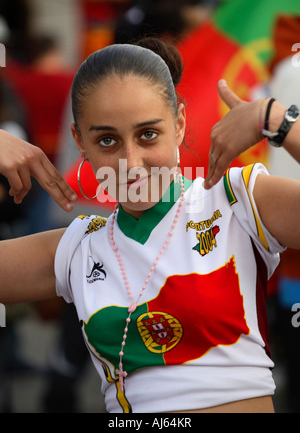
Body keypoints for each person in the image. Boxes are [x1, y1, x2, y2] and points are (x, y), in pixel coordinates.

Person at [0, 37, 299, 414]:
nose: (131, 161)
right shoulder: (79, 247)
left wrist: (279, 121)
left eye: (148, 135)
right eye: (107, 140)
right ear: (80, 142)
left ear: (180, 124)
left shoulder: (237, 201)